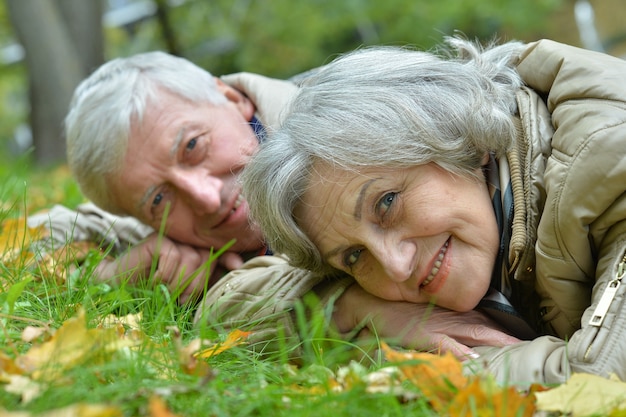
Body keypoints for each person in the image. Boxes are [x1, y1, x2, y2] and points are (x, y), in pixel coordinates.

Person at [26, 50, 519, 359]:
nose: (203, 196)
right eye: (158, 199)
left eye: (193, 146)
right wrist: (116, 279)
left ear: (231, 98)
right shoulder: (166, 237)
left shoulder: (354, 129)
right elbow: (34, 240)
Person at [240, 36, 626, 385]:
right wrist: (347, 309)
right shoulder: (479, 211)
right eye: (354, 256)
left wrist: (407, 363)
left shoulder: (608, 160)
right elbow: (222, 308)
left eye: (387, 203)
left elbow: (596, 385)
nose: (395, 265)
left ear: (463, 140)